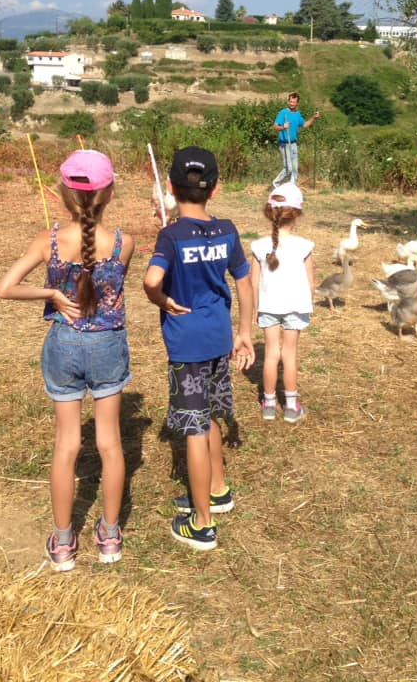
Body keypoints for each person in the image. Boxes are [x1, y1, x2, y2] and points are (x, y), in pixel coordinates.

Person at [0, 150, 134, 572]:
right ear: (109, 193)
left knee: (67, 445)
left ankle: (61, 542)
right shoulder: (126, 243)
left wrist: (53, 295)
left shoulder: (47, 242)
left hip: (63, 345)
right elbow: (105, 283)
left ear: (62, 195)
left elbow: (6, 288)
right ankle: (109, 536)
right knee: (110, 444)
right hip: (108, 344)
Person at [143, 147, 254, 551]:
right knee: (207, 414)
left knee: (192, 426)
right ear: (216, 188)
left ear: (171, 187)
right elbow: (244, 280)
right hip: (219, 339)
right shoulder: (228, 229)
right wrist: (245, 331)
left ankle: (202, 523)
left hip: (187, 345)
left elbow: (151, 279)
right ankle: (218, 491)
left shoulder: (171, 236)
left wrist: (160, 299)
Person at [250, 182, 314, 424]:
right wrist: (307, 303)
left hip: (267, 307)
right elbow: (310, 283)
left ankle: (268, 404)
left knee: (270, 355)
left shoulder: (258, 246)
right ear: (296, 214)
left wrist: (256, 308)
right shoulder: (304, 246)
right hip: (295, 308)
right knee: (290, 354)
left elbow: (254, 283)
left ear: (270, 213)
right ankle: (291, 406)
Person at [272, 92, 320, 187]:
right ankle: (275, 185)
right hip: (284, 144)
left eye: (293, 102)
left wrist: (314, 118)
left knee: (294, 170)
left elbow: (305, 125)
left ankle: (292, 188)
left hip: (293, 144)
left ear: (297, 103)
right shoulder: (283, 113)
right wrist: (283, 127)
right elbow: (275, 126)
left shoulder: (297, 114)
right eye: (290, 101)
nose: (291, 104)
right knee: (288, 169)